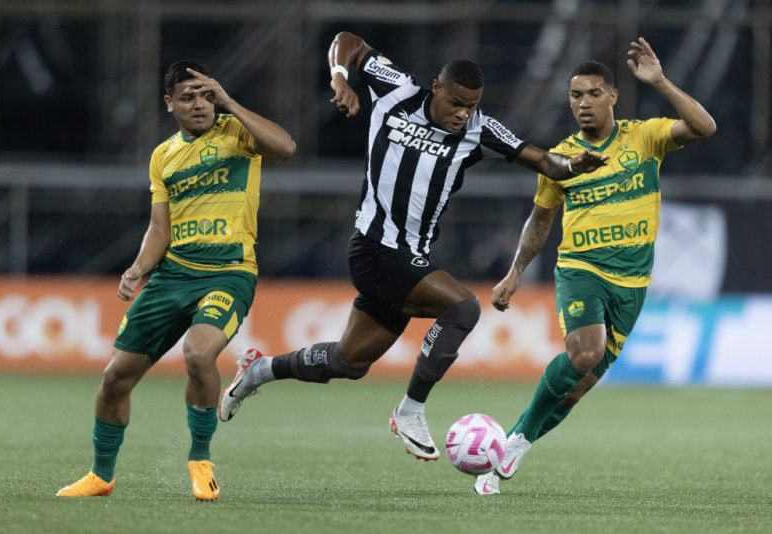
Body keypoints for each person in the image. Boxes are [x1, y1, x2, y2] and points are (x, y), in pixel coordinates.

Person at [218, 31, 607, 462]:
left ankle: (259, 370)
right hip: (374, 248)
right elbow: (347, 40)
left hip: (410, 255)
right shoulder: (396, 89)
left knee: (349, 362)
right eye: (456, 103)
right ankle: (410, 410)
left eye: (471, 106)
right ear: (436, 88)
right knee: (463, 308)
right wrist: (340, 78)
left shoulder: (480, 129)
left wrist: (573, 165)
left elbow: (542, 160)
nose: (463, 114)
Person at [474, 38, 716, 495]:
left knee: (579, 385)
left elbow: (704, 127)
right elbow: (541, 219)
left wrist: (660, 81)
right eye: (575, 95)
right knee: (584, 353)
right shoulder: (559, 159)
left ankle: (517, 445)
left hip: (633, 281)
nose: (582, 103)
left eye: (592, 93)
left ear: (612, 96)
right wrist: (514, 272)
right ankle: (513, 441)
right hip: (580, 268)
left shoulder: (644, 137)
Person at [57, 60, 296, 500]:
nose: (200, 105)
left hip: (229, 272)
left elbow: (285, 147)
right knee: (114, 379)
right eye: (188, 97)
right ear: (169, 104)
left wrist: (230, 101)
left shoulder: (238, 132)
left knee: (199, 353)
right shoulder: (163, 156)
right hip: (172, 277)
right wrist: (138, 268)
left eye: (206, 95)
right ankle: (101, 475)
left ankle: (200, 461)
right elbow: (159, 228)